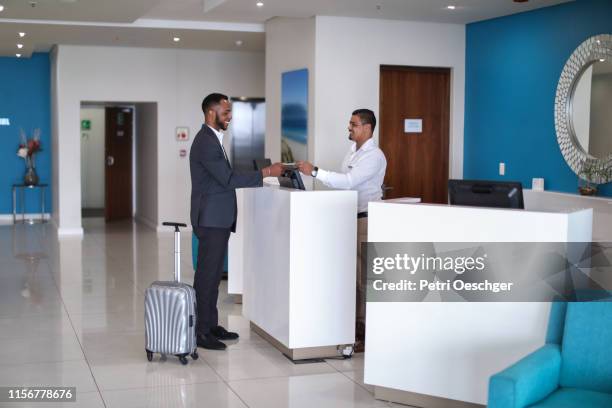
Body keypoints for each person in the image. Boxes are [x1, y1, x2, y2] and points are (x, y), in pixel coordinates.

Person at [190, 93, 283, 350]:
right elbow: (228, 179)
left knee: (212, 275)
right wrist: (265, 172)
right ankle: (200, 332)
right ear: (211, 113)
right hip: (210, 219)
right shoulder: (206, 142)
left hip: (217, 218)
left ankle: (210, 325)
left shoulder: (213, 139)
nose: (230, 116)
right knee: (207, 277)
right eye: (225, 112)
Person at [296, 109, 387, 352]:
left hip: (366, 220)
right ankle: (355, 329)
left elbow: (348, 181)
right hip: (349, 218)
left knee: (365, 279)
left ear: (367, 128)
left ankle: (367, 334)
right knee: (354, 277)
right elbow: (343, 181)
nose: (349, 128)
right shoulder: (353, 151)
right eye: (350, 123)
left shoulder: (374, 156)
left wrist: (315, 171)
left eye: (354, 124)